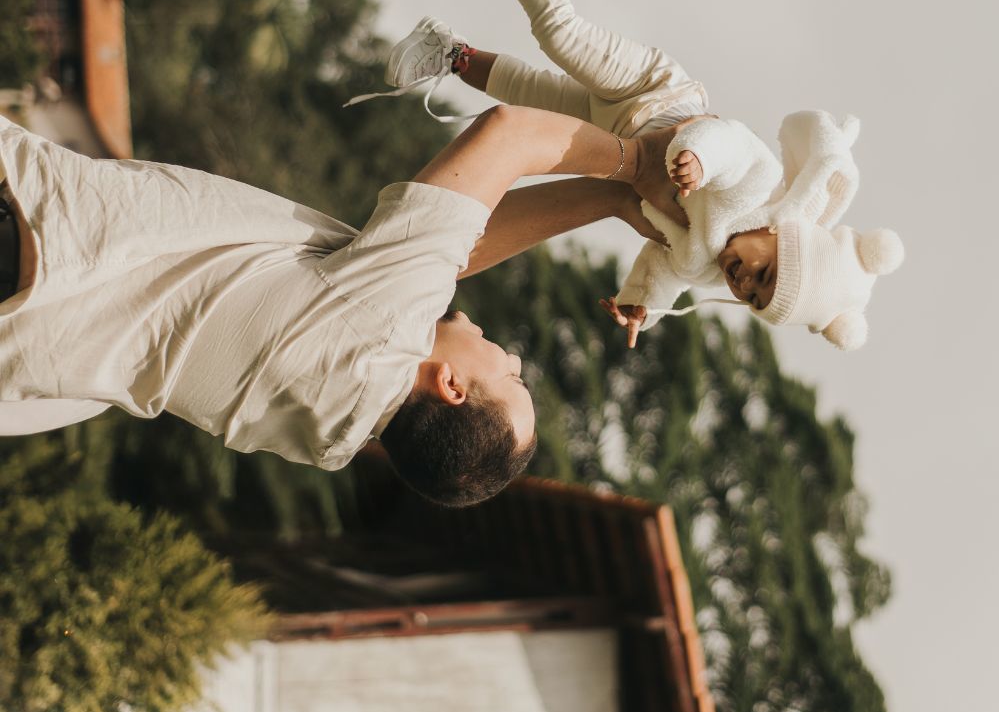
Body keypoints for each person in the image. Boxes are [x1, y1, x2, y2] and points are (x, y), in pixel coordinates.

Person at [0, 101, 682, 506]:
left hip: (34, 239)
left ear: (447, 384)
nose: (510, 354)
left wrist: (636, 160)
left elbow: (505, 133)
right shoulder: (331, 436)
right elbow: (457, 250)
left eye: (510, 376)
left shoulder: (381, 324)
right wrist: (611, 201)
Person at [357, 0, 904, 353]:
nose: (745, 281)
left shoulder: (707, 265)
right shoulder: (760, 193)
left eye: (753, 297)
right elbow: (732, 145)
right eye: (766, 274)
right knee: (564, 38)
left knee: (527, 93)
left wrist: (643, 303)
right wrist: (698, 158)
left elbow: (667, 265)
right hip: (656, 93)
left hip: (614, 131)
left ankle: (450, 53)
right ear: (782, 237)